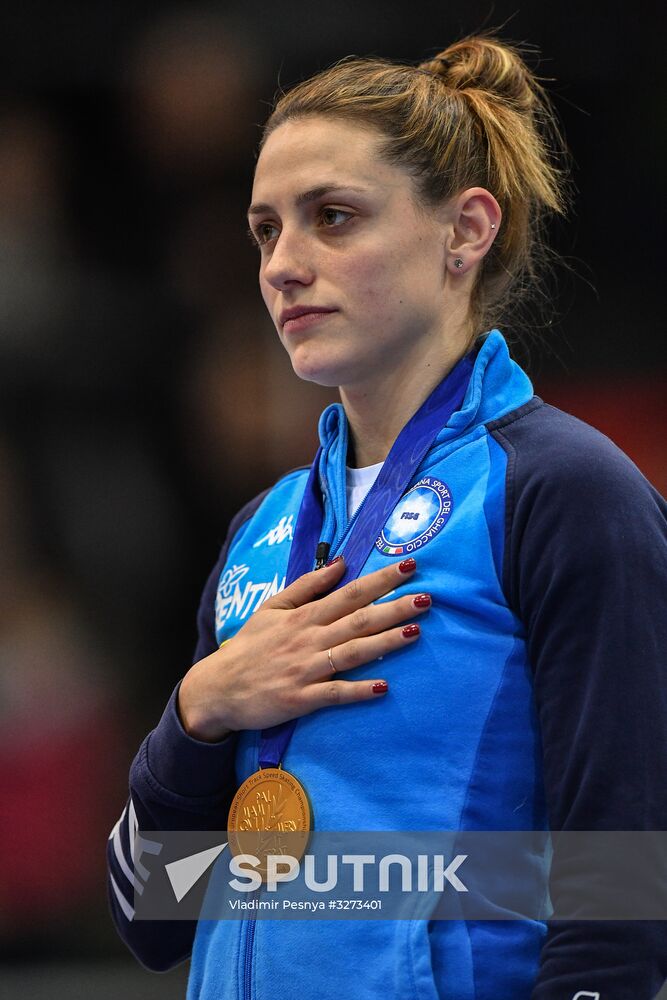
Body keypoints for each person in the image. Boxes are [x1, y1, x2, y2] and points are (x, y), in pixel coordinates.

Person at [107, 35, 667, 998]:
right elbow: (153, 914)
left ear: (465, 230)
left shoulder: (566, 493)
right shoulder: (264, 531)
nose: (284, 265)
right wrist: (198, 714)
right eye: (265, 230)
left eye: (332, 218)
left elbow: (622, 889)